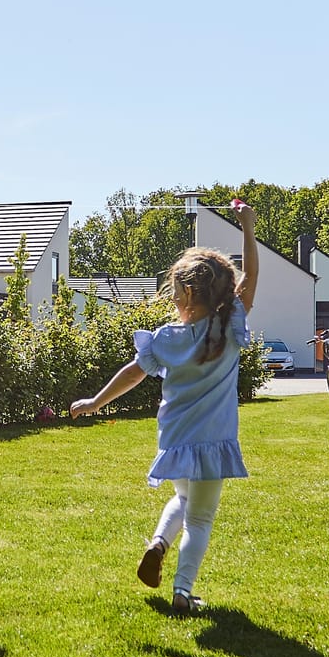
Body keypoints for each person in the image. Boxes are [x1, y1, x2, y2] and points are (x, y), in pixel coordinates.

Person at [69, 205, 261, 612]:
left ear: (188, 295)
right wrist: (247, 227)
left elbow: (132, 373)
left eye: (174, 291)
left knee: (183, 499)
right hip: (213, 441)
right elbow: (252, 278)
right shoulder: (228, 326)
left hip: (176, 438)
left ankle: (158, 543)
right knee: (201, 518)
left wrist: (94, 402)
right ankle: (182, 592)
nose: (172, 298)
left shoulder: (167, 338)